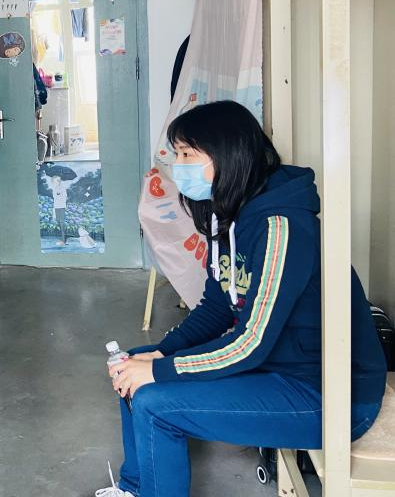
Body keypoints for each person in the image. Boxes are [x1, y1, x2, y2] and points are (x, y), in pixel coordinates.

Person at [96, 100, 387, 497]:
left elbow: (250, 343)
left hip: (328, 394)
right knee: (133, 364)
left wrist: (161, 371)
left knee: (154, 402)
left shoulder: (281, 227)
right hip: (279, 366)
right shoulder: (229, 213)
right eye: (176, 153)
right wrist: (162, 353)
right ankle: (135, 488)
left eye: (187, 154)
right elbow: (217, 307)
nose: (177, 166)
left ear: (227, 154)